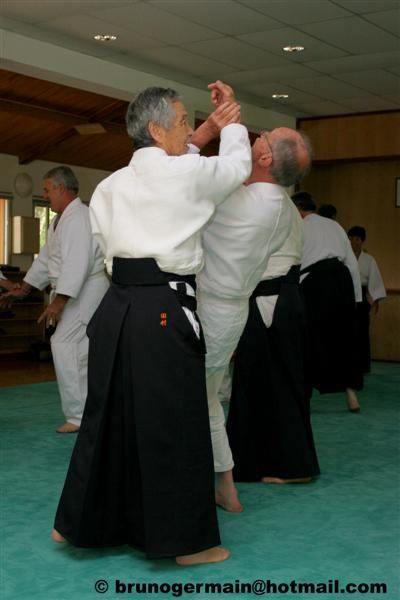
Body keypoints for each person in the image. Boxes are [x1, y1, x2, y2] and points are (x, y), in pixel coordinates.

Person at [51, 84, 252, 565]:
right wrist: (234, 122)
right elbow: (237, 168)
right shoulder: (186, 173)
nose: (189, 128)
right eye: (184, 121)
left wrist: (201, 132)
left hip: (117, 307)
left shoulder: (111, 184)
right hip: (164, 305)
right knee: (175, 423)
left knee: (105, 419)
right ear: (159, 129)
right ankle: (185, 545)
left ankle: (76, 524)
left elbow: (104, 247)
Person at [194, 83, 312, 512]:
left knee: (196, 400)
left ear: (262, 158)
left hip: (215, 310)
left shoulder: (248, 201)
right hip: (231, 310)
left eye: (261, 138)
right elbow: (231, 165)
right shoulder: (275, 201)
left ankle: (208, 484)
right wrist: (227, 117)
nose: (255, 138)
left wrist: (225, 118)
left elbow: (221, 169)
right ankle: (225, 483)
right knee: (206, 399)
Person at [2, 167, 109, 432]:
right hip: (75, 292)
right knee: (80, 353)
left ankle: (79, 415)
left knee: (64, 345)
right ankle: (88, 413)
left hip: (85, 294)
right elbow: (47, 260)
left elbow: (78, 263)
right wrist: (25, 288)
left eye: (47, 189)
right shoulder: (59, 220)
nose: (45, 194)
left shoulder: (80, 218)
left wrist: (59, 301)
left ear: (62, 188)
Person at [227, 202, 320, 485]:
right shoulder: (285, 206)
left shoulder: (270, 204)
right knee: (272, 381)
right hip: (279, 296)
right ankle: (272, 463)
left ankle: (291, 466)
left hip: (272, 298)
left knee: (268, 381)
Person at [292, 191, 363, 412]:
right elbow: (351, 261)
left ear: (299, 211)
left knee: (310, 339)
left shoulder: (299, 226)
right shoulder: (335, 226)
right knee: (344, 337)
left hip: (314, 283)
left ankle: (305, 395)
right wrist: (356, 299)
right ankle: (351, 394)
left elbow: (295, 261)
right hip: (341, 281)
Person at [348, 226, 386, 373]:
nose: (354, 242)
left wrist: (373, 300)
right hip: (347, 296)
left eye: (357, 239)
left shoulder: (369, 260)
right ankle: (346, 364)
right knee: (346, 330)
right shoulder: (343, 257)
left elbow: (375, 280)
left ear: (362, 241)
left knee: (362, 331)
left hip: (362, 297)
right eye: (351, 239)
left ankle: (363, 365)